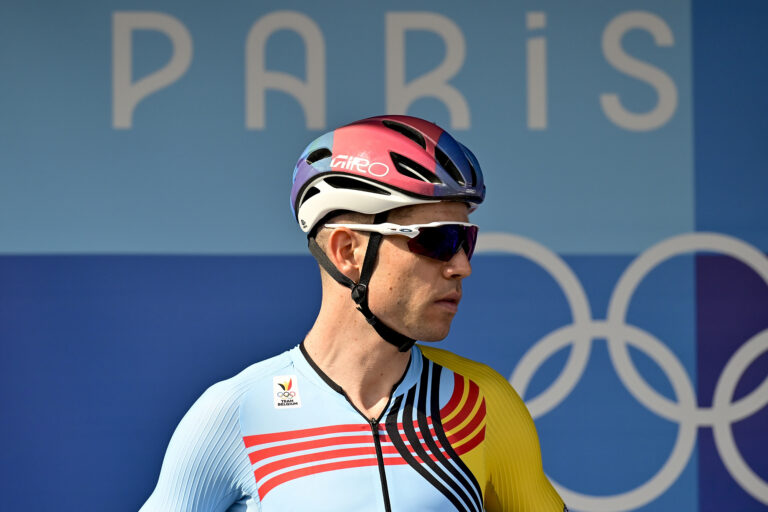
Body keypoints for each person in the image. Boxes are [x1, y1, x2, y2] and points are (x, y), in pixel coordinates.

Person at [140, 115, 567, 511]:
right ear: (347, 252)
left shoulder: (482, 401)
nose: (461, 265)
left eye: (466, 240)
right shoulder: (235, 412)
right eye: (439, 240)